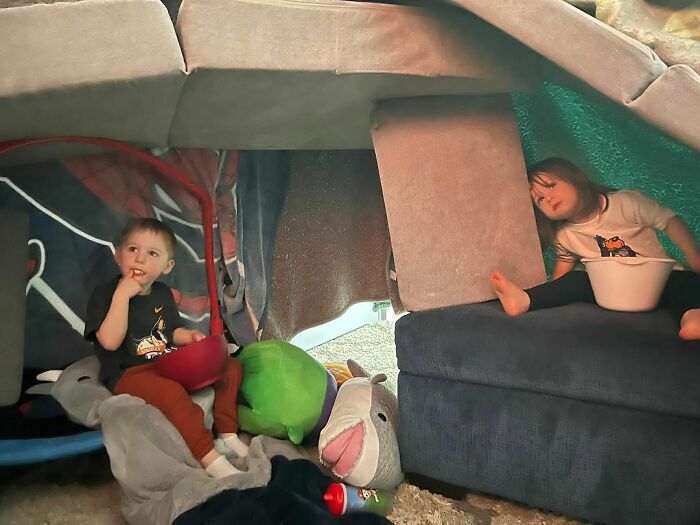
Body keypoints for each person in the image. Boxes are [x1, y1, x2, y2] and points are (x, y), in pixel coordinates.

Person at [85, 218, 249, 479]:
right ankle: (210, 458)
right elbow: (109, 342)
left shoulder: (162, 293)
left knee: (230, 365)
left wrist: (190, 337)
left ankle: (227, 433)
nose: (139, 259)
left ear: (166, 266)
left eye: (152, 253)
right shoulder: (105, 294)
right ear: (118, 255)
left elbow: (171, 332)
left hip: (166, 362)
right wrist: (122, 296)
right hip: (130, 372)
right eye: (133, 250)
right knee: (171, 393)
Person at [489, 157, 700, 340]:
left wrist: (693, 256)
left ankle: (692, 316)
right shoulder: (565, 235)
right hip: (608, 290)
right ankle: (524, 300)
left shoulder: (626, 202)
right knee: (576, 280)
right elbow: (563, 271)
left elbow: (669, 221)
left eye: (551, 186)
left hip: (656, 283)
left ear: (575, 178)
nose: (548, 198)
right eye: (540, 200)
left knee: (687, 282)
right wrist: (550, 292)